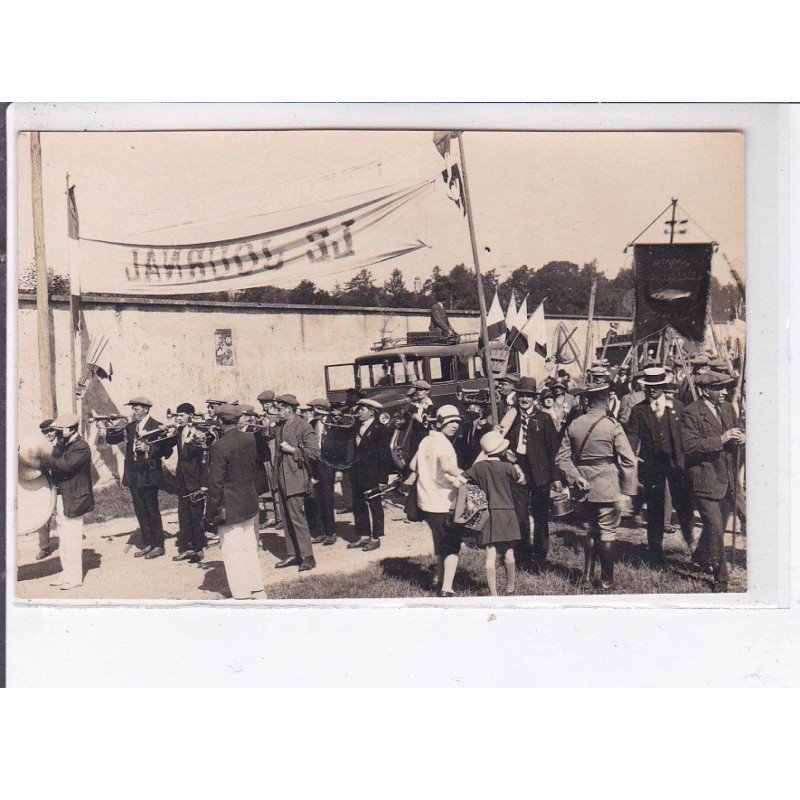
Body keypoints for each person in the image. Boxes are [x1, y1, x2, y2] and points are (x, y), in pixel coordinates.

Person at [556, 382, 638, 591]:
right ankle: (607, 580)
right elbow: (629, 460)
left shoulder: (574, 424)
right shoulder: (612, 426)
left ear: (588, 401)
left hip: (583, 485)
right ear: (606, 400)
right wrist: (628, 491)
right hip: (607, 484)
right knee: (608, 531)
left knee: (591, 529)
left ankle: (586, 576)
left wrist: (575, 478)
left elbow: (562, 459)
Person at [681, 371, 744, 593]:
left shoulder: (727, 408)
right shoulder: (691, 413)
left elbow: (736, 432)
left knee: (717, 525)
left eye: (726, 388)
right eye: (719, 388)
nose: (725, 392)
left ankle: (699, 555)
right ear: (705, 391)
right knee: (716, 529)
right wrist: (721, 439)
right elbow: (689, 446)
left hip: (727, 478)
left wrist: (741, 437)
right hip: (705, 479)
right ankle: (721, 579)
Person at [625, 367, 694, 561]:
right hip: (652, 464)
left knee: (683, 505)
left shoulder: (678, 407)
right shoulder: (639, 410)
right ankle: (655, 550)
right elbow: (632, 434)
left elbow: (686, 434)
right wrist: (633, 454)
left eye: (655, 387)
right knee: (655, 507)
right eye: (648, 387)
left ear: (663, 386)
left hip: (677, 463)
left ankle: (692, 546)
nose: (651, 390)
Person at [203, 404, 265, 600]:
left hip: (229, 506)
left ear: (220, 421)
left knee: (232, 550)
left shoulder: (219, 446)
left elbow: (215, 485)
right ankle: (257, 588)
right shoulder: (249, 438)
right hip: (248, 501)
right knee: (249, 545)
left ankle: (241, 594)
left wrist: (208, 516)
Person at [499, 376, 560, 564]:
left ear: (535, 399)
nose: (524, 399)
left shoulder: (544, 419)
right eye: (521, 396)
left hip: (540, 472)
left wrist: (556, 478)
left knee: (541, 514)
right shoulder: (511, 417)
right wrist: (505, 452)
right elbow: (501, 441)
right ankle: (522, 553)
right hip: (519, 469)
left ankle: (540, 554)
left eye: (528, 396)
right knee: (520, 514)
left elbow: (553, 450)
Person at [105, 396, 174, 559]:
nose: (133, 411)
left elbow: (167, 451)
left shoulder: (157, 426)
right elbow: (111, 440)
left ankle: (158, 545)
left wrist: (149, 448)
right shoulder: (131, 426)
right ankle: (148, 543)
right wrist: (109, 428)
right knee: (140, 511)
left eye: (136, 408)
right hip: (134, 475)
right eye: (133, 408)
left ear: (146, 409)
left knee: (152, 510)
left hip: (149, 474)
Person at [409, 405, 464, 596]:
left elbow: (412, 464)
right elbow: (449, 467)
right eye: (450, 422)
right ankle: (447, 588)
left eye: (457, 422)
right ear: (440, 423)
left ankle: (437, 580)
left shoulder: (426, 440)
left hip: (426, 501)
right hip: (443, 502)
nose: (455, 426)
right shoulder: (444, 444)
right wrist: (467, 476)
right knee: (451, 546)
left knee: (439, 543)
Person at [463, 431, 525, 595]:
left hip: (489, 513)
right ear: (502, 450)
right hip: (508, 512)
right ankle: (511, 587)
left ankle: (493, 593)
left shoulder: (478, 467)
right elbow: (521, 480)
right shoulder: (507, 467)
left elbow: (462, 479)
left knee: (490, 553)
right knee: (509, 552)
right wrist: (515, 463)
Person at [273, 394, 320, 571]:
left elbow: (315, 453)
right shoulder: (280, 426)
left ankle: (308, 557)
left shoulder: (303, 426)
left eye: (279, 409)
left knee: (298, 519)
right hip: (282, 479)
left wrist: (293, 450)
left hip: (296, 479)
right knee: (286, 519)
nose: (276, 412)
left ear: (289, 409)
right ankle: (293, 554)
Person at [47, 413, 94, 590]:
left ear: (72, 429)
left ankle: (75, 578)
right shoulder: (64, 444)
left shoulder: (81, 447)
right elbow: (57, 465)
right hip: (62, 496)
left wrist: (48, 455)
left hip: (75, 498)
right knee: (64, 539)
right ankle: (66, 573)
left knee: (72, 539)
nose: (58, 432)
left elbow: (65, 466)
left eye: (61, 429)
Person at [164, 403, 207, 563]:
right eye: (177, 415)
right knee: (184, 516)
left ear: (190, 416)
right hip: (182, 481)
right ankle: (188, 548)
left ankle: (199, 549)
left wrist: (204, 483)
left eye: (181, 415)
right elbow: (168, 447)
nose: (178, 418)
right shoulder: (180, 431)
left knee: (196, 516)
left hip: (196, 481)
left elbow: (204, 461)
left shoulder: (200, 432)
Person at [347, 398, 391, 551]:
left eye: (362, 409)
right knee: (358, 504)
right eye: (359, 409)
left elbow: (384, 455)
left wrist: (383, 479)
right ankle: (363, 535)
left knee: (374, 505)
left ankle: (376, 537)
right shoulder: (356, 426)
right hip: (357, 472)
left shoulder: (380, 428)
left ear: (371, 412)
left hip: (372, 474)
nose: (358, 412)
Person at [308, 398, 348, 546]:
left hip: (329, 465)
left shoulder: (333, 422)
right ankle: (320, 532)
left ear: (319, 408)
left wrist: (339, 469)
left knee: (327, 499)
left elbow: (340, 448)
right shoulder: (312, 424)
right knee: (315, 499)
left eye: (314, 408)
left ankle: (330, 532)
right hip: (315, 465)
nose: (312, 411)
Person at [34, 418, 57, 560]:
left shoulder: (63, 444)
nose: (48, 434)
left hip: (62, 484)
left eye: (50, 430)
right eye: (45, 432)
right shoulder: (40, 446)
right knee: (43, 516)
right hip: (47, 483)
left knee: (64, 515)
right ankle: (44, 547)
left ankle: (69, 543)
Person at [455, 396, 493, 468]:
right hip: (468, 465)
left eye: (471, 407)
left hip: (481, 464)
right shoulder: (466, 426)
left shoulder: (487, 427)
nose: (467, 410)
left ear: (481, 409)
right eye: (468, 407)